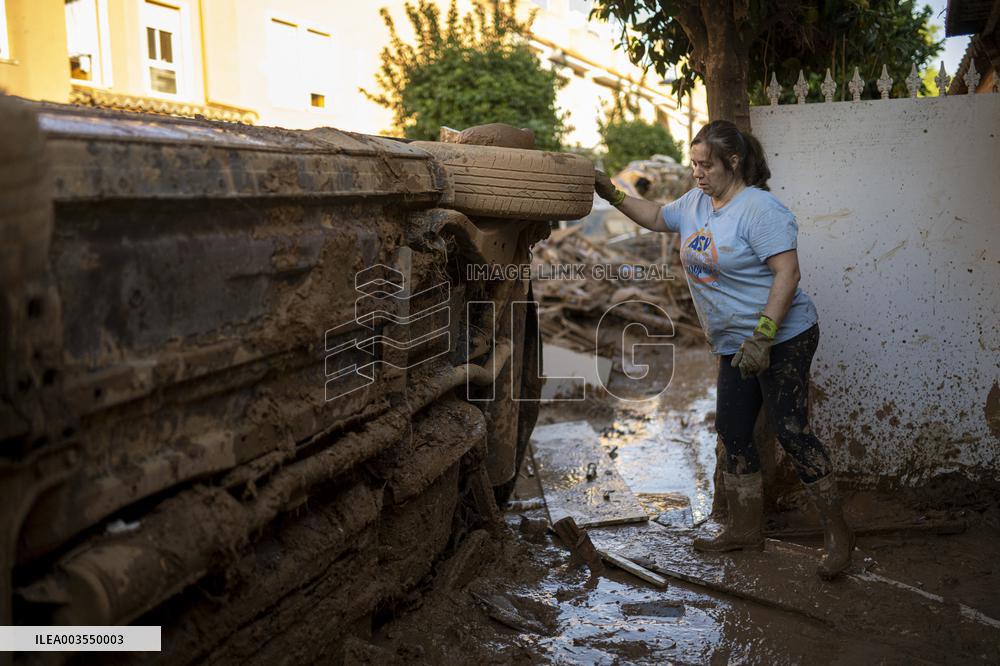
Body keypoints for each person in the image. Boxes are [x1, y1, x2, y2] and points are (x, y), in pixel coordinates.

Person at [594, 120, 853, 579]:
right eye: (694, 164)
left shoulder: (760, 210)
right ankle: (745, 529)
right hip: (735, 342)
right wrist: (611, 193)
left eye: (706, 165)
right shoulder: (695, 203)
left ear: (733, 161)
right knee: (733, 431)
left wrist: (764, 335)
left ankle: (838, 534)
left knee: (791, 430)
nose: (698, 173)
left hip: (784, 335)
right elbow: (656, 217)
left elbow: (788, 274)